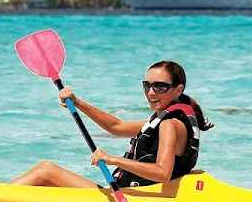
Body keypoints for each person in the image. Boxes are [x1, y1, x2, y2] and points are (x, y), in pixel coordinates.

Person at [11, 60, 212, 189]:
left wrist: (113, 159)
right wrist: (77, 102)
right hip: (129, 193)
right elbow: (116, 126)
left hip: (132, 198)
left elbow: (163, 173)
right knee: (46, 175)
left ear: (178, 90)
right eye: (147, 86)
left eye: (159, 86)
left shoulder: (170, 125)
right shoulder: (166, 121)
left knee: (46, 170)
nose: (151, 93)